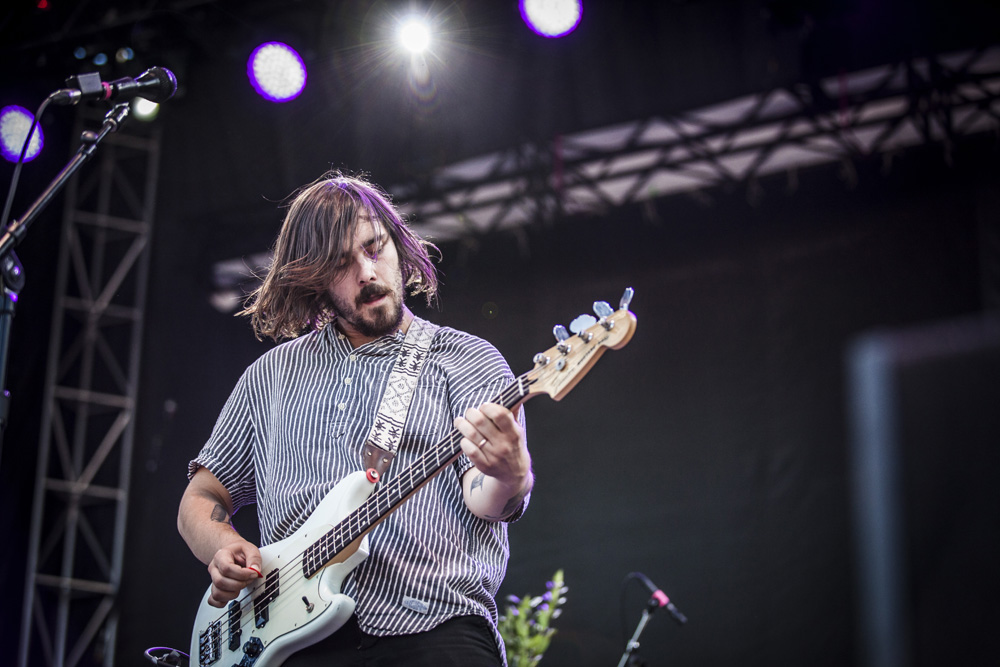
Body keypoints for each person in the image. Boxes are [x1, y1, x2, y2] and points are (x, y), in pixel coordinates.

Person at [177, 172, 533, 666]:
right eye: (342, 264)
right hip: (290, 642)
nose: (366, 271)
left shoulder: (465, 359)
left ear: (398, 245)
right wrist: (224, 544)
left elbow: (487, 499)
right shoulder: (271, 377)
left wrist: (510, 474)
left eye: (374, 247)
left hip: (433, 629)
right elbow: (202, 496)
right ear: (313, 278)